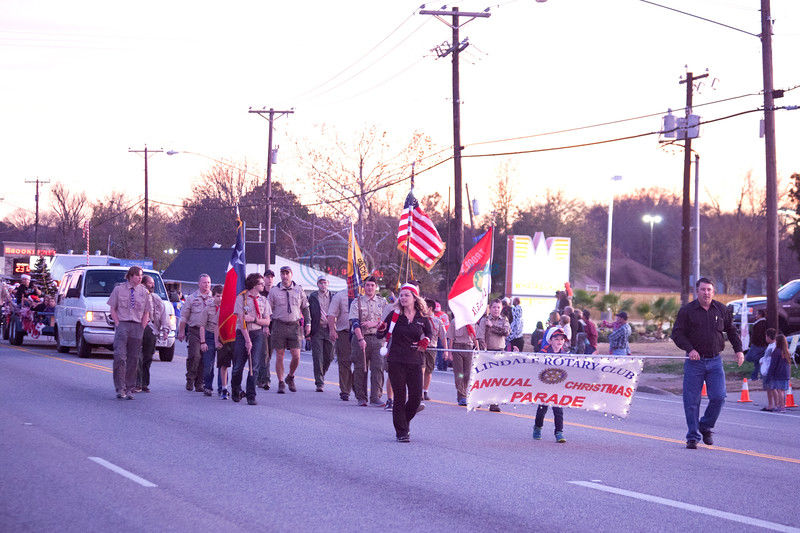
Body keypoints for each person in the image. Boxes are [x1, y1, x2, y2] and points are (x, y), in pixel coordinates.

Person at [672, 277, 744, 449]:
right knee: (691, 401)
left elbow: (732, 331)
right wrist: (690, 350)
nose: (706, 293)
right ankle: (693, 436)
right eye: (703, 289)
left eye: (709, 290)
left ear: (713, 291)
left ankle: (705, 426)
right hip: (694, 362)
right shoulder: (687, 311)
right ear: (697, 291)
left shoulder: (721, 309)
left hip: (715, 361)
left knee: (719, 397)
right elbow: (677, 334)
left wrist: (739, 350)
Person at [378, 283, 432, 442]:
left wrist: (425, 341)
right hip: (396, 360)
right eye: (401, 295)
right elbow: (380, 335)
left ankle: (404, 421)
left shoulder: (422, 317)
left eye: (406, 295)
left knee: (416, 398)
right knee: (400, 397)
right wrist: (381, 329)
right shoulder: (394, 315)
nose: (402, 298)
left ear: (415, 298)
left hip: (415, 361)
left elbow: (429, 333)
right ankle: (401, 432)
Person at [107, 266, 152, 400]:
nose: (140, 278)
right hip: (123, 325)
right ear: (131, 276)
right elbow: (112, 308)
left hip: (137, 326)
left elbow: (146, 312)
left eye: (141, 275)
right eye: (138, 275)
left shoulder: (144, 292)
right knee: (120, 356)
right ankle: (120, 388)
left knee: (134, 358)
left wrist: (142, 326)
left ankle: (129, 388)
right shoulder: (119, 289)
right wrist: (117, 323)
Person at [267, 266, 311, 394]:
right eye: (282, 273)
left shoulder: (299, 290)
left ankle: (290, 376)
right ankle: (281, 382)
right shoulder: (274, 291)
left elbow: (305, 308)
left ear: (291, 274)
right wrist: (267, 326)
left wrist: (308, 323)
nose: (284, 276)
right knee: (279, 355)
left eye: (287, 273)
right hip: (279, 324)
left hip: (294, 326)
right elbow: (268, 311)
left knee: (296, 356)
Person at [232, 273, 271, 405]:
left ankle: (251, 395)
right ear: (254, 285)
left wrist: (254, 319)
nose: (263, 285)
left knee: (254, 366)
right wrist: (247, 340)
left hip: (257, 333)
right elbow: (241, 321)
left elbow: (267, 321)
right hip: (243, 334)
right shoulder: (242, 298)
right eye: (261, 283)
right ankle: (236, 390)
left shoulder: (264, 300)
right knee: (238, 366)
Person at [349, 276, 388, 406]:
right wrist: (360, 339)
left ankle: (375, 397)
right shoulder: (357, 302)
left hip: (377, 339)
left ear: (376, 287)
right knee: (361, 368)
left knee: (378, 368)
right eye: (367, 285)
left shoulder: (382, 302)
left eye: (372, 285)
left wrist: (374, 323)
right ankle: (361, 397)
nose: (370, 287)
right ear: (364, 287)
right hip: (361, 338)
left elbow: (387, 321)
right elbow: (354, 322)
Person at [178, 274, 214, 392]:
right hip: (195, 330)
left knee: (205, 358)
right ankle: (190, 378)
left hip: (208, 332)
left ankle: (200, 383)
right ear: (199, 284)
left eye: (208, 282)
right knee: (195, 356)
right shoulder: (192, 298)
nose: (207, 285)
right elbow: (184, 316)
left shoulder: (214, 298)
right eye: (204, 282)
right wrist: (182, 331)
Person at [532, 327, 569, 443]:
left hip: (558, 385)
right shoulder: (543, 353)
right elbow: (533, 365)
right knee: (542, 409)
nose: (559, 342)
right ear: (550, 340)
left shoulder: (566, 354)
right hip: (544, 385)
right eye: (556, 339)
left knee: (558, 410)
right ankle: (537, 427)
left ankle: (559, 432)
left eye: (561, 339)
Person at [135, 275, 169, 393]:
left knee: (148, 357)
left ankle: (144, 383)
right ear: (143, 284)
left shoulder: (156, 298)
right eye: (150, 283)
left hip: (152, 330)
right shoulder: (136, 296)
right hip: (139, 328)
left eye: (153, 283)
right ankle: (137, 383)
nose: (153, 285)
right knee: (137, 357)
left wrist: (165, 330)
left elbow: (164, 315)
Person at [477, 299, 512, 412]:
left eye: (498, 307)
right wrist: (483, 348)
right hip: (488, 351)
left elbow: (506, 332)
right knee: (485, 378)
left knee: (497, 379)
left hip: (500, 351)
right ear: (490, 308)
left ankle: (494, 403)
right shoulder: (484, 320)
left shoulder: (504, 320)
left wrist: (492, 327)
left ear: (501, 308)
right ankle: (479, 399)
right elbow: (480, 336)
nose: (496, 309)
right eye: (494, 307)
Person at [328, 287, 353, 401]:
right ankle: (345, 390)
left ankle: (358, 388)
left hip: (361, 334)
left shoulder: (364, 296)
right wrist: (332, 330)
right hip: (344, 333)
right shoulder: (340, 296)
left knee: (361, 364)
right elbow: (331, 314)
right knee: (344, 362)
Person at [309, 276, 333, 393]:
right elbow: (308, 313)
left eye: (325, 283)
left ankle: (321, 374)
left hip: (330, 329)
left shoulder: (333, 297)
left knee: (329, 356)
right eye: (321, 283)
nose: (323, 285)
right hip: (317, 329)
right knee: (318, 357)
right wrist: (308, 327)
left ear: (328, 284)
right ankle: (319, 382)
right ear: (318, 284)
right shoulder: (313, 297)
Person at [446, 323, 479, 406]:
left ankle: (465, 393)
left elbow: (475, 337)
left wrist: (478, 349)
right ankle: (461, 396)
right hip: (457, 348)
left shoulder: (472, 322)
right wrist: (449, 352)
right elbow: (451, 339)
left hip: (469, 348)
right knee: (459, 374)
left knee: (468, 374)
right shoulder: (455, 322)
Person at [199, 285, 224, 396]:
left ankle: (222, 387)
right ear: (213, 296)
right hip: (209, 335)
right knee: (208, 364)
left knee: (222, 364)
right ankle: (208, 386)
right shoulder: (208, 308)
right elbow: (202, 326)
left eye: (222, 296)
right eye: (218, 296)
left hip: (222, 337)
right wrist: (203, 342)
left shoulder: (226, 308)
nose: (220, 298)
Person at [422, 298, 447, 402]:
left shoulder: (438, 321)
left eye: (424, 307)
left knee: (428, 371)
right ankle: (418, 392)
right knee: (421, 369)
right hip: (421, 348)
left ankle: (425, 392)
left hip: (432, 348)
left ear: (430, 308)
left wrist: (446, 351)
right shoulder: (420, 319)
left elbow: (443, 337)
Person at [257, 269, 275, 390]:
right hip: (262, 325)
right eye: (267, 277)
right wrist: (265, 326)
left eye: (271, 277)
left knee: (269, 354)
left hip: (274, 326)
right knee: (264, 353)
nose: (269, 279)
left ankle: (259, 377)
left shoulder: (275, 292)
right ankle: (266, 380)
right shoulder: (260, 294)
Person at [764, 333, 792, 413]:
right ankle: (782, 406)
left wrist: (769, 375)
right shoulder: (786, 352)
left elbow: (773, 365)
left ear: (778, 341)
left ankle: (781, 406)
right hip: (785, 374)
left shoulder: (776, 352)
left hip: (778, 374)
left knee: (779, 391)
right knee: (783, 391)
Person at [746, 309, 768, 380]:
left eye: (757, 314)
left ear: (760, 315)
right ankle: (756, 377)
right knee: (758, 362)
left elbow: (758, 335)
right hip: (761, 345)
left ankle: (756, 377)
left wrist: (754, 342)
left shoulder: (760, 323)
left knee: (749, 358)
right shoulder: (763, 323)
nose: (756, 316)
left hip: (757, 345)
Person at [760, 328, 778, 411]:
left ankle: (776, 405)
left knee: (772, 388)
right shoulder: (770, 346)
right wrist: (762, 360)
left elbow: (772, 359)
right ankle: (771, 404)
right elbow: (767, 357)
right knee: (768, 388)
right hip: (766, 370)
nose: (765, 338)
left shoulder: (774, 346)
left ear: (769, 336)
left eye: (766, 336)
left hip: (769, 370)